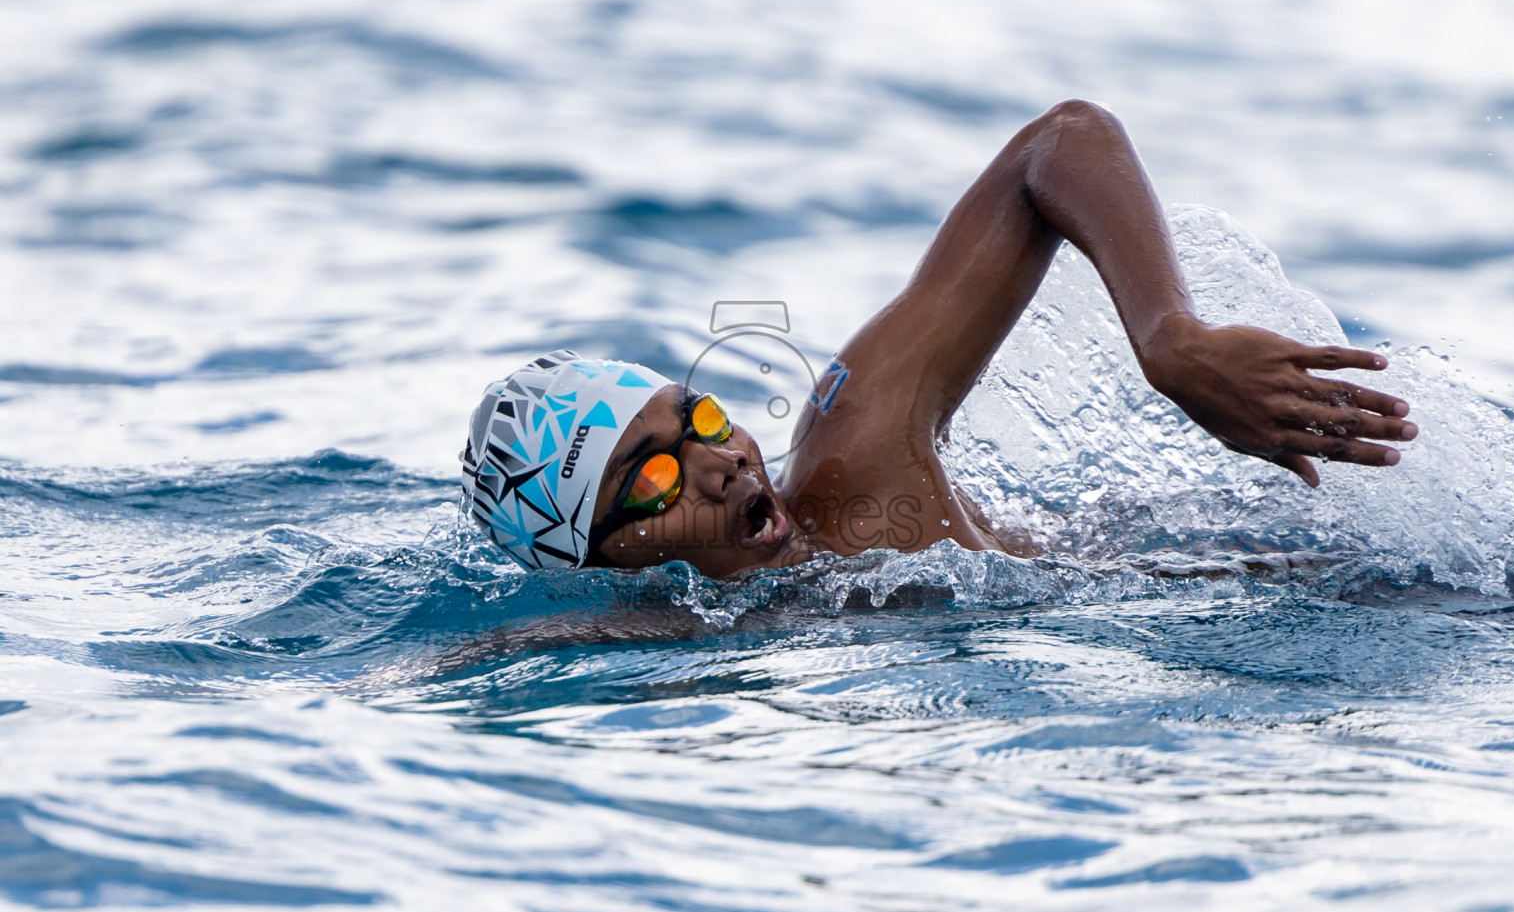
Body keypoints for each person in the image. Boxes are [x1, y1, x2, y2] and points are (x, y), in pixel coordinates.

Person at [462, 100, 1418, 577]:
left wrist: (1171, 338)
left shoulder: (856, 458)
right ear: (598, 560)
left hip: (1311, 576)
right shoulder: (643, 645)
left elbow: (1062, 143)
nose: (718, 462)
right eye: (657, 477)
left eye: (699, 417)